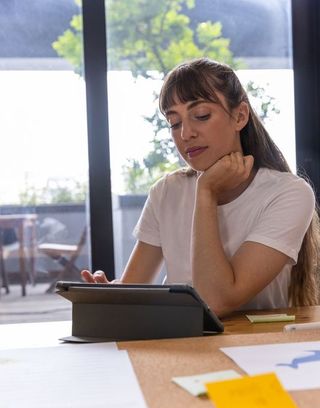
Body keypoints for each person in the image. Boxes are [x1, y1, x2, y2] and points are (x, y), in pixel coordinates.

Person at [82, 58, 320, 317]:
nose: (185, 134)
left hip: (256, 348)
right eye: (174, 122)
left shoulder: (289, 194)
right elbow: (132, 291)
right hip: (183, 345)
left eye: (201, 116)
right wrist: (111, 297)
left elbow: (215, 301)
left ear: (240, 116)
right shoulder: (167, 191)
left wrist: (206, 192)